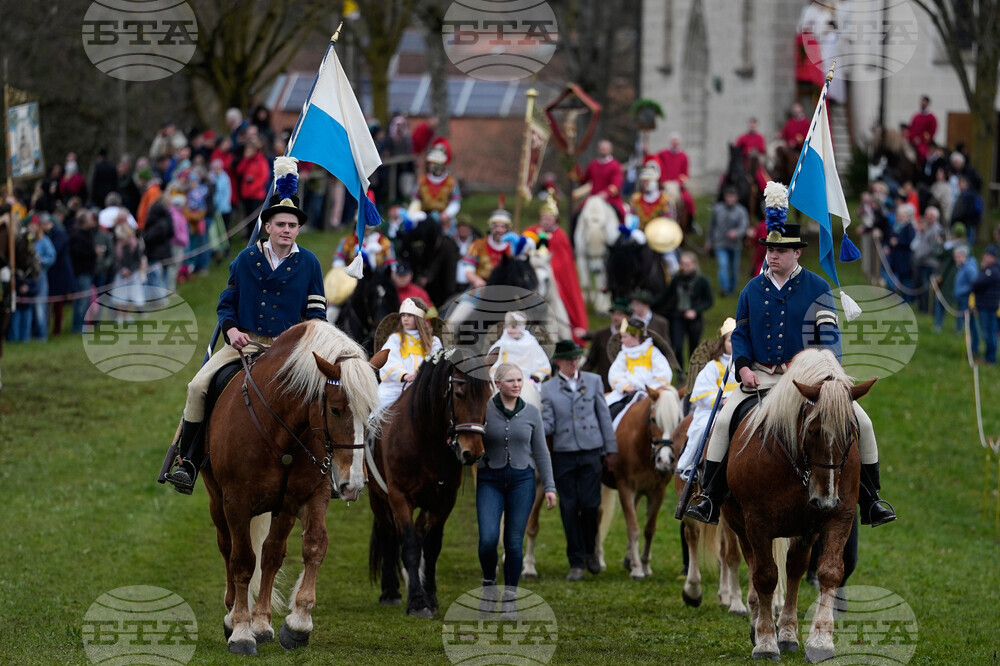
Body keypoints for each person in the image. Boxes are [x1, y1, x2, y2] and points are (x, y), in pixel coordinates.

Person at [685, 182, 896, 527]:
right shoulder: (752, 289)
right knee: (723, 421)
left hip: (807, 381)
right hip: (761, 375)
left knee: (864, 423)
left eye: (780, 251)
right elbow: (739, 334)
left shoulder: (817, 287)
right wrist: (741, 367)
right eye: (769, 249)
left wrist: (827, 376)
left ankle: (871, 501)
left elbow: (829, 337)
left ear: (797, 253)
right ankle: (709, 496)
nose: (772, 256)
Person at [162, 158, 327, 494]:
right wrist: (232, 329)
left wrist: (307, 346)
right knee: (197, 388)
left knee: (329, 396)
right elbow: (227, 304)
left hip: (289, 351)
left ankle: (330, 470)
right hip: (245, 343)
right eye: (280, 224)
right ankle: (188, 462)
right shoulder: (245, 259)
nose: (286, 230)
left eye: (292, 226)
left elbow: (317, 314)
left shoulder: (309, 263)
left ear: (298, 229)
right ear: (267, 227)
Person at [541, 339, 618, 581]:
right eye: (569, 360)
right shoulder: (549, 388)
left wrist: (611, 450)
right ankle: (576, 560)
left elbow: (604, 417)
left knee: (590, 504)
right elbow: (548, 422)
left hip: (590, 449)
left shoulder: (593, 381)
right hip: (564, 453)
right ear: (558, 362)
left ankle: (591, 550)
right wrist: (534, 429)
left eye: (576, 359)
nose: (574, 363)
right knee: (569, 507)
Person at [478, 363, 557, 597]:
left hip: (522, 481)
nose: (516, 385)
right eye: (511, 381)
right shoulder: (483, 410)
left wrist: (550, 487)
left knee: (513, 542)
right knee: (489, 539)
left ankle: (511, 595)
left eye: (519, 380)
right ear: (498, 384)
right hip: (489, 479)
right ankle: (489, 582)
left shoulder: (532, 412)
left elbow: (542, 452)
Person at [676, 318, 738, 481]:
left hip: (739, 408)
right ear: (722, 343)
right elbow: (702, 391)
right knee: (702, 428)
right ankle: (691, 465)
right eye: (731, 340)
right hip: (712, 410)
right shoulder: (713, 366)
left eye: (738, 339)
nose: (734, 343)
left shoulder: (745, 365)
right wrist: (722, 400)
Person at [523, 192, 589, 338]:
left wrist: (551, 269)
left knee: (559, 302)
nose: (546, 221)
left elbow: (564, 262)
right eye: (544, 218)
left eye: (549, 218)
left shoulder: (560, 236)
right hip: (534, 275)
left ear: (555, 219)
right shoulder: (531, 232)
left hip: (554, 278)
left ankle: (564, 330)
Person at [376, 297, 442, 412]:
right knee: (377, 405)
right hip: (395, 388)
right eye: (403, 315)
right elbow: (389, 360)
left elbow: (437, 364)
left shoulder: (433, 342)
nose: (405, 319)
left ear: (419, 318)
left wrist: (422, 376)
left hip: (423, 388)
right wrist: (404, 375)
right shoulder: (395, 339)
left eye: (409, 315)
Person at [605, 316, 673, 415]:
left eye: (625, 336)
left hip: (649, 394)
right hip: (628, 394)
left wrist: (651, 390)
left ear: (636, 336)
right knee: (612, 409)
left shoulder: (652, 352)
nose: (621, 340)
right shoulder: (624, 354)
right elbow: (615, 372)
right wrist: (625, 386)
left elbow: (663, 373)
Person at [707, 186, 749, 296]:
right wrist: (709, 241)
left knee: (734, 268)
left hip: (735, 245)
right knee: (723, 265)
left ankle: (732, 288)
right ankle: (724, 289)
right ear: (725, 197)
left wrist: (736, 233)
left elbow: (744, 226)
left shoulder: (741, 211)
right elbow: (712, 226)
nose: (730, 199)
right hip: (720, 244)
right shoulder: (718, 209)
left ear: (736, 198)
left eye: (732, 197)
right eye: (728, 197)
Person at [581, 298, 631, 391]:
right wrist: (578, 376)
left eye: (620, 314)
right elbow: (591, 361)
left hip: (627, 387)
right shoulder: (601, 335)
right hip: (604, 387)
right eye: (614, 313)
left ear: (627, 317)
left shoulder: (633, 338)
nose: (616, 317)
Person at [489, 311, 551, 384]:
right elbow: (494, 364)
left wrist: (535, 377)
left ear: (521, 328)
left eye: (513, 327)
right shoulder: (502, 344)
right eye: (507, 326)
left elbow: (543, 364)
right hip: (506, 382)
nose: (509, 330)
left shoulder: (531, 343)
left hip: (527, 382)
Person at [461, 204, 513, 288]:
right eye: (496, 226)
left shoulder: (513, 248)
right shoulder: (478, 245)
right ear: (491, 227)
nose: (499, 230)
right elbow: (468, 272)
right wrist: (476, 280)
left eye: (503, 227)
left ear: (507, 229)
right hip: (481, 288)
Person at [577, 139, 625, 221]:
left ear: (610, 150)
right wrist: (575, 171)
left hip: (610, 200)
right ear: (598, 149)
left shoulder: (615, 166)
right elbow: (583, 181)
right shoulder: (592, 165)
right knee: (576, 216)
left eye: (605, 148)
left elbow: (616, 185)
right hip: (593, 199)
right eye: (601, 148)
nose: (603, 150)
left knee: (619, 215)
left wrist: (606, 193)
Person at [629, 159, 675, 230]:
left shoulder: (665, 201)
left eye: (647, 181)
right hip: (640, 232)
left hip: (658, 234)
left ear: (654, 182)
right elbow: (631, 218)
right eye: (643, 181)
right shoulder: (635, 199)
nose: (644, 184)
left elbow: (669, 222)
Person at [972, 247, 999, 364]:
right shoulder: (992, 270)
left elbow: (977, 283)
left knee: (989, 333)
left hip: (988, 306)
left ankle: (990, 358)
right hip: (988, 305)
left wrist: (982, 269)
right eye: (985, 255)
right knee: (990, 333)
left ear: (993, 258)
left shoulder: (992, 271)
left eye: (988, 256)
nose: (985, 257)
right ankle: (990, 357)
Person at [907, 96, 937, 166]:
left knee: (922, 153)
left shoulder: (931, 117)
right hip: (913, 141)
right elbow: (911, 128)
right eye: (922, 102)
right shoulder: (916, 116)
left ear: (928, 103)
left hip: (923, 143)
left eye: (924, 102)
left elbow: (931, 131)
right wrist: (912, 138)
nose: (922, 103)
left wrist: (920, 139)